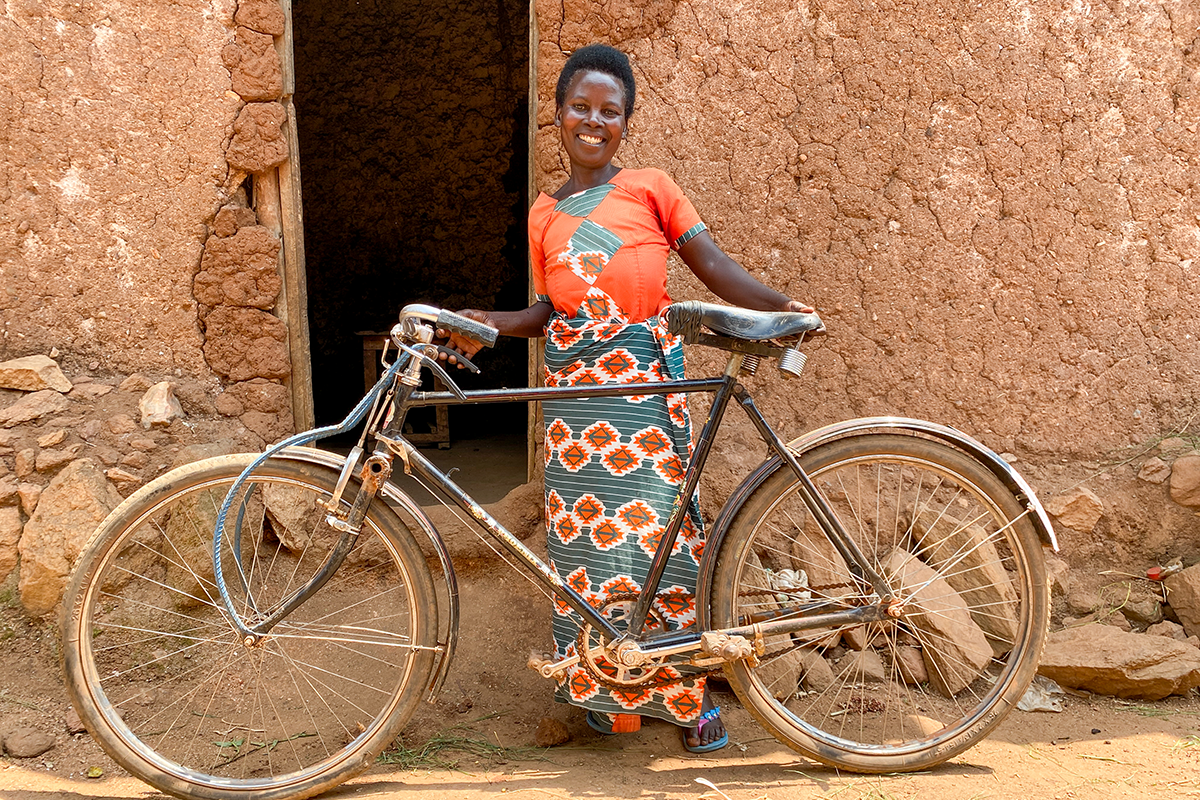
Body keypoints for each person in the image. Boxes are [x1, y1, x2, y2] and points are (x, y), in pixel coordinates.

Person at [439, 43, 812, 753]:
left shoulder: (651, 189)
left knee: (665, 539)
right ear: (557, 116)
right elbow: (547, 311)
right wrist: (492, 325)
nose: (593, 120)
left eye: (609, 111)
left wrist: (781, 305)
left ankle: (686, 699)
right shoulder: (545, 213)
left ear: (624, 124)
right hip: (577, 403)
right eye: (580, 106)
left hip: (645, 388)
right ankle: (601, 700)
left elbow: (713, 265)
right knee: (585, 551)